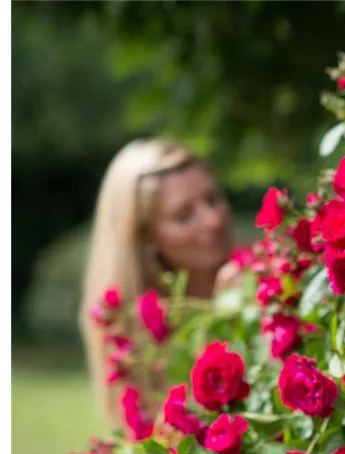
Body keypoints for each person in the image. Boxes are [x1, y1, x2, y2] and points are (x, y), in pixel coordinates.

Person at [79, 138, 242, 428]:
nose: (212, 219)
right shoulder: (140, 342)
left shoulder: (262, 281)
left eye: (212, 199)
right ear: (146, 238)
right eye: (184, 215)